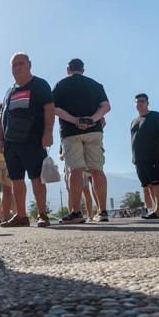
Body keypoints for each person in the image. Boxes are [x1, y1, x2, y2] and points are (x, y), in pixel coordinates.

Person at [0, 52, 53, 228]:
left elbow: (49, 109)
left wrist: (48, 132)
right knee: (16, 180)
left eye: (21, 63)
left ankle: (42, 214)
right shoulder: (9, 91)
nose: (17, 67)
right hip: (11, 144)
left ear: (29, 65)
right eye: (14, 65)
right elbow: (2, 116)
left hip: (33, 140)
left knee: (36, 178)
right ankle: (21, 216)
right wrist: (0, 139)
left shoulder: (40, 84)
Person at [53, 58, 111, 224]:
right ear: (83, 70)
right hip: (94, 132)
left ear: (68, 69)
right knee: (97, 170)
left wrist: (75, 120)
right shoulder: (95, 85)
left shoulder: (60, 85)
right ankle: (103, 211)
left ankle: (76, 212)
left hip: (71, 132)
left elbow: (55, 109)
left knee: (75, 171)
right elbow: (106, 106)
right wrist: (91, 120)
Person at [129, 93, 159, 219]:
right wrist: (134, 157)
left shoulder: (155, 116)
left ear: (147, 103)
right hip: (139, 159)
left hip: (153, 156)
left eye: (142, 101)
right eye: (137, 102)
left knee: (158, 182)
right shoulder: (133, 122)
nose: (139, 103)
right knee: (148, 185)